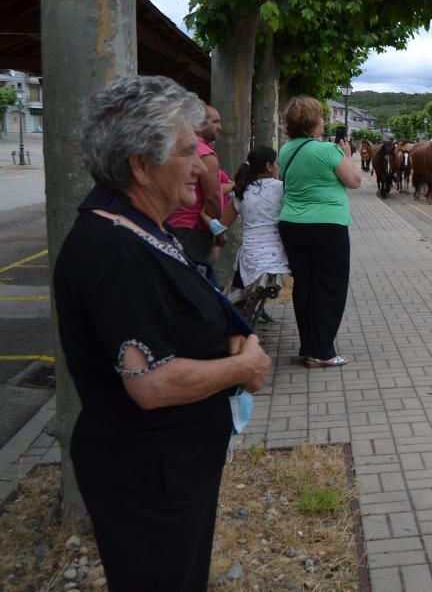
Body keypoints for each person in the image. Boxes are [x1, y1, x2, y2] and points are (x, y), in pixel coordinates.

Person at [52, 76, 272, 591]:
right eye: (185, 152)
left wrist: (227, 334)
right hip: (148, 476)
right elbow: (151, 383)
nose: (201, 165)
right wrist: (242, 367)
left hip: (169, 468)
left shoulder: (140, 227)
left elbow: (174, 313)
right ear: (139, 164)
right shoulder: (115, 251)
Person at [278, 97, 362, 368]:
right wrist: (347, 156)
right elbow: (355, 181)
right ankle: (322, 352)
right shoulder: (327, 151)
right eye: (321, 117)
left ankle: (310, 346)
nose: (324, 122)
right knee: (329, 287)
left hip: (292, 224)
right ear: (313, 122)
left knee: (304, 286)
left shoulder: (285, 150)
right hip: (327, 225)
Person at [221, 146, 289, 300]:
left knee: (242, 255)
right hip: (277, 255)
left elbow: (222, 224)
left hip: (250, 257)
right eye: (275, 163)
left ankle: (235, 295)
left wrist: (214, 232)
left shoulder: (241, 191)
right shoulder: (282, 189)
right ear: (268, 166)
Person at [166, 103, 224, 263]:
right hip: (194, 228)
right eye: (215, 122)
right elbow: (212, 198)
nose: (220, 127)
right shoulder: (206, 154)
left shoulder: (175, 146)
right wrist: (216, 226)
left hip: (170, 222)